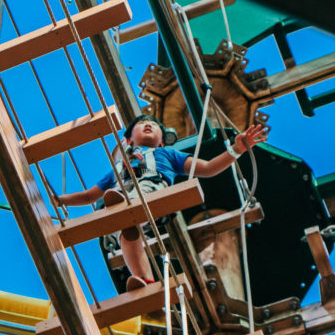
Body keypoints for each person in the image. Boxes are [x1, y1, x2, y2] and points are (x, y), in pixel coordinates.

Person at [54, 114, 266, 291]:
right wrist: (61, 200)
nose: (148, 125)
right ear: (128, 141)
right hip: (121, 196)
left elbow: (208, 168)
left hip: (150, 189)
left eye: (154, 125)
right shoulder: (117, 169)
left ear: (162, 141)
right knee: (127, 234)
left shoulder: (167, 154)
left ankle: (124, 205)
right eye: (141, 124)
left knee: (128, 203)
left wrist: (236, 150)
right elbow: (90, 195)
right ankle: (144, 279)